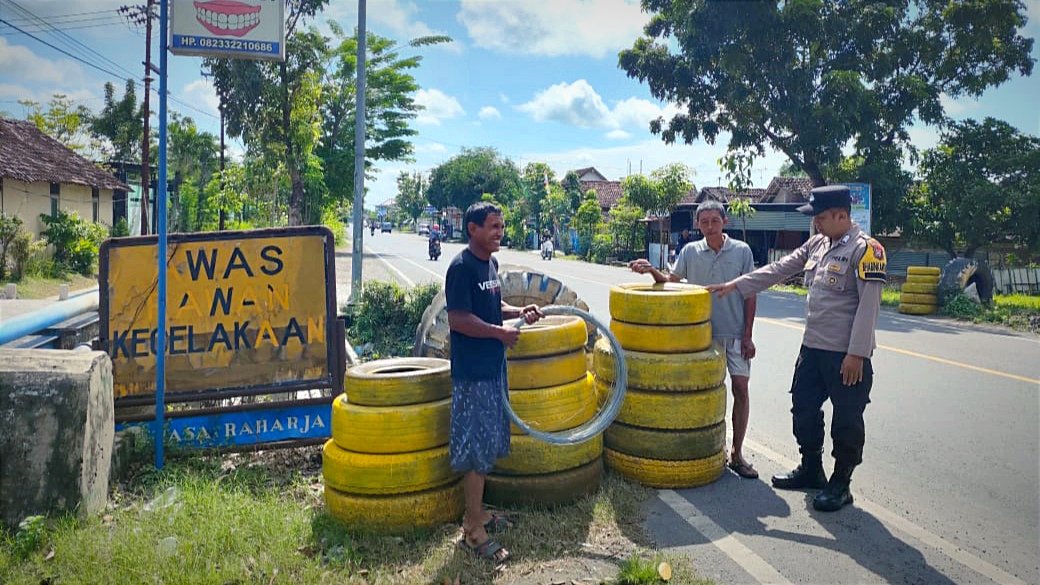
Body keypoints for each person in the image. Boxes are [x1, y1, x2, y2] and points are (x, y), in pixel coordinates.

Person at [706, 185, 886, 512]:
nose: (815, 223)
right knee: (803, 408)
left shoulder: (867, 250)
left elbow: (868, 307)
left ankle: (841, 483)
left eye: (819, 217)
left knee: (846, 419)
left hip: (845, 354)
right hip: (813, 348)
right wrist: (736, 285)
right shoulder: (818, 243)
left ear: (840, 215)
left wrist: (857, 354)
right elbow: (780, 268)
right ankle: (811, 468)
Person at [629, 200, 759, 479]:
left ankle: (737, 454)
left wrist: (748, 336)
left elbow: (750, 295)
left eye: (714, 221)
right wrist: (651, 270)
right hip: (700, 336)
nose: (709, 227)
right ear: (697, 225)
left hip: (735, 334)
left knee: (740, 389)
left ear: (725, 222)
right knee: (700, 394)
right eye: (704, 222)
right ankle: (707, 450)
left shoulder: (742, 251)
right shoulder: (690, 251)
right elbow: (670, 283)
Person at [445, 201, 543, 563]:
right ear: (472, 229)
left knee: (489, 442)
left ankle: (480, 512)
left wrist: (518, 313)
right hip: (473, 373)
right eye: (492, 226)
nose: (499, 232)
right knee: (476, 449)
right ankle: (473, 529)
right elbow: (458, 319)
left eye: (501, 226)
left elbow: (490, 308)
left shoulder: (491, 263)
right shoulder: (461, 267)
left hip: (493, 368)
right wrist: (498, 335)